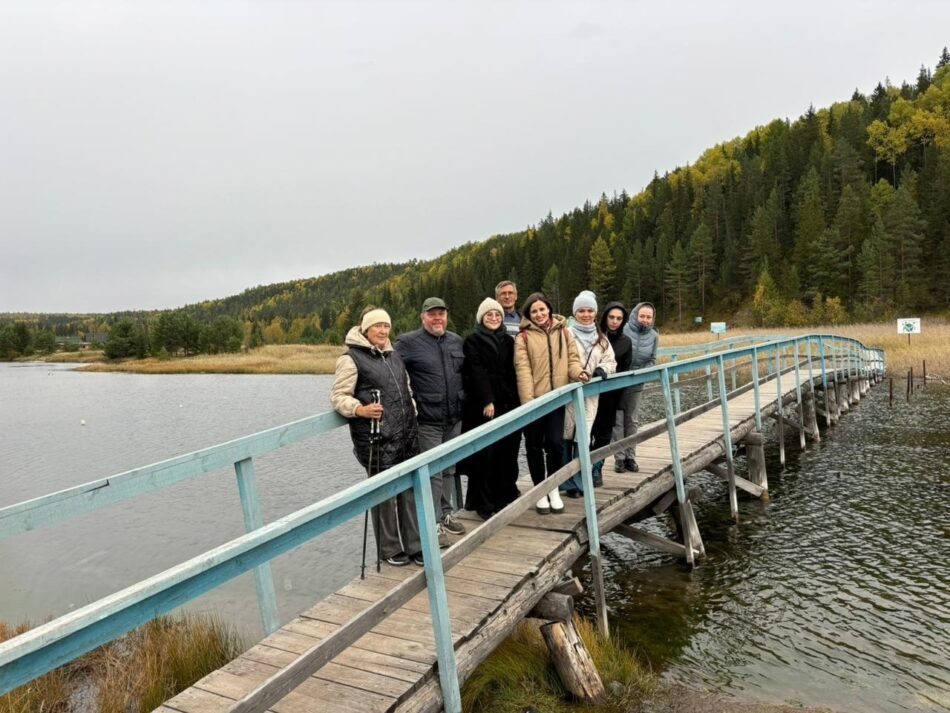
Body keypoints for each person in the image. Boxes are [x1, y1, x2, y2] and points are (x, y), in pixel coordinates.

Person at [330, 308, 423, 567]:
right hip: (376, 437)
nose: (383, 331)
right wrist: (360, 409)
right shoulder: (351, 358)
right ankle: (389, 549)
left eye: (386, 326)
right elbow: (338, 397)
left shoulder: (393, 356)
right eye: (377, 326)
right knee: (384, 495)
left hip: (405, 435)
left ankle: (415, 546)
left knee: (408, 492)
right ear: (366, 330)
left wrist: (412, 411)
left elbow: (406, 390)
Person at [395, 297, 467, 540]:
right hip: (427, 419)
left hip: (454, 416)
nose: (438, 318)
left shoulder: (456, 341)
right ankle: (433, 522)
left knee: (449, 469)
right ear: (422, 317)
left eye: (441, 313)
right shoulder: (408, 342)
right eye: (432, 314)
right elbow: (389, 369)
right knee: (433, 472)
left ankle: (446, 513)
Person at [513, 292, 588, 514]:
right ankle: (539, 490)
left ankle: (553, 487)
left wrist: (579, 373)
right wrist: (529, 403)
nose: (539, 314)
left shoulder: (564, 332)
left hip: (557, 399)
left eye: (542, 309)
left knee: (555, 445)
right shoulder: (523, 338)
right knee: (534, 446)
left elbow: (572, 360)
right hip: (534, 402)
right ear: (528, 314)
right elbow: (523, 371)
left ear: (549, 309)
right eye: (534, 311)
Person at [457, 297, 521, 520]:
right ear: (481, 318)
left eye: (497, 315)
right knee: (485, 455)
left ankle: (504, 496)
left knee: (507, 453)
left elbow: (513, 372)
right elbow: (476, 372)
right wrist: (487, 400)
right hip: (483, 406)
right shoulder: (472, 341)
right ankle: (483, 502)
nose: (493, 318)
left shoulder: (509, 341)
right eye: (489, 315)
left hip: (508, 402)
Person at [561, 291, 616, 496]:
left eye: (589, 310)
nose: (586, 314)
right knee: (566, 436)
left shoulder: (601, 339)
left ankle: (580, 481)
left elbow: (611, 361)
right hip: (568, 392)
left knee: (582, 438)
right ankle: (567, 483)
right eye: (581, 311)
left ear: (595, 313)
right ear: (575, 313)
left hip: (590, 395)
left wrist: (603, 370)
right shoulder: (566, 334)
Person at [614, 301, 658, 472]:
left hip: (637, 382)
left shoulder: (654, 336)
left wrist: (641, 373)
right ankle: (619, 457)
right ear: (635, 315)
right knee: (618, 420)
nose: (645, 320)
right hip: (618, 381)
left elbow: (652, 360)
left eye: (649, 317)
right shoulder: (623, 329)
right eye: (642, 316)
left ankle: (630, 457)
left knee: (631, 419)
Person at [591, 301, 632, 477]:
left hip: (611, 395)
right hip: (591, 393)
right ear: (605, 317)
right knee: (587, 431)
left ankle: (596, 468)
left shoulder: (626, 342)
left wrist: (620, 401)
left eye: (619, 318)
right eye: (611, 317)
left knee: (604, 434)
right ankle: (581, 468)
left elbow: (625, 369)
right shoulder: (594, 337)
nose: (615, 321)